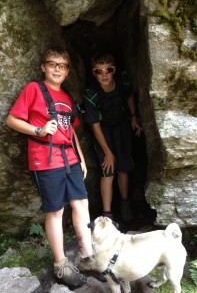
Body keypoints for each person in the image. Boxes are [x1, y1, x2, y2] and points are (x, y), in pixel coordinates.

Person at [6, 46, 93, 287]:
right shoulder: (34, 89)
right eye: (52, 64)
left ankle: (88, 256)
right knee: (56, 210)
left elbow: (71, 130)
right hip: (45, 158)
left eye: (62, 65)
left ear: (67, 72)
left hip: (70, 158)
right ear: (43, 67)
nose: (57, 69)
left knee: (81, 203)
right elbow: (12, 120)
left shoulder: (67, 97)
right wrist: (39, 130)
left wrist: (82, 158)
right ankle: (61, 265)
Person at [83, 52, 142, 224]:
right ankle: (107, 215)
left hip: (122, 126)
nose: (104, 74)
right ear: (93, 73)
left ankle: (125, 204)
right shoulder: (91, 94)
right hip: (103, 131)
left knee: (123, 167)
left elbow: (129, 94)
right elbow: (94, 125)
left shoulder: (122, 81)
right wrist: (108, 152)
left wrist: (133, 116)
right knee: (108, 170)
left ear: (114, 70)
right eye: (98, 71)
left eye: (108, 70)